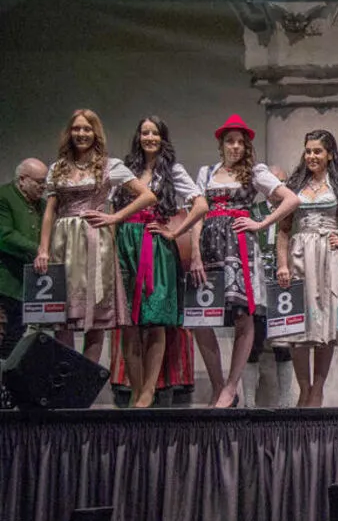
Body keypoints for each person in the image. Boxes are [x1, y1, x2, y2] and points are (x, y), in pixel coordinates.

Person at [191, 115, 299, 408]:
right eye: (230, 141)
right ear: (221, 144)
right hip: (209, 247)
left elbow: (290, 199)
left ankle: (230, 386)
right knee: (200, 317)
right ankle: (217, 384)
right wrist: (195, 253)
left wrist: (261, 224)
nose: (236, 146)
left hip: (238, 249)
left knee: (244, 315)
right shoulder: (206, 173)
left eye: (241, 142)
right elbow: (198, 213)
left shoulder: (254, 172)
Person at [34, 110, 157, 365]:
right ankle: (67, 377)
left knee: (97, 317)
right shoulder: (58, 167)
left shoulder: (110, 165)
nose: (81, 133)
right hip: (63, 242)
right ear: (69, 133)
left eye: (87, 129)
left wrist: (115, 217)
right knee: (61, 315)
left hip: (95, 242)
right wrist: (43, 249)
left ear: (95, 133)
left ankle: (86, 380)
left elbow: (148, 196)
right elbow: (49, 211)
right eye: (76, 128)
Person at [276, 130, 338, 407]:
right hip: (300, 255)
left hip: (330, 256)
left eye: (318, 151)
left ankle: (318, 391)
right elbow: (283, 229)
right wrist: (282, 264)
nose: (312, 156)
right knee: (298, 326)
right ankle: (304, 388)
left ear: (330, 154)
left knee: (326, 326)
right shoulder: (295, 184)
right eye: (308, 150)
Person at [114, 117, 209, 408]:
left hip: (155, 246)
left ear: (163, 138)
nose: (149, 137)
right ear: (138, 137)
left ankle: (149, 390)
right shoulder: (126, 169)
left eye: (155, 133)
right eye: (145, 132)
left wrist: (174, 232)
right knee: (128, 322)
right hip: (125, 244)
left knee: (155, 320)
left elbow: (201, 205)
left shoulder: (173, 170)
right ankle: (136, 389)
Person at [0, 159, 47, 359]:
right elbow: (4, 235)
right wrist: (39, 249)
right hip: (4, 283)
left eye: (45, 182)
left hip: (27, 286)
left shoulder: (43, 205)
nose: (43, 187)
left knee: (15, 339)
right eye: (39, 182)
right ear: (22, 180)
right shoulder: (4, 197)